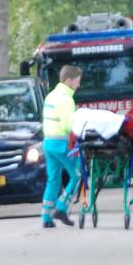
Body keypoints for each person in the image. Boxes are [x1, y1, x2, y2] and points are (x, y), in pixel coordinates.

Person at [41, 65, 83, 228]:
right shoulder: (66, 99)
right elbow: (67, 125)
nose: (78, 85)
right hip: (62, 144)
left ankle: (46, 217)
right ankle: (61, 208)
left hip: (48, 143)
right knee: (78, 175)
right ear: (69, 80)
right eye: (77, 81)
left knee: (53, 180)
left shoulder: (51, 96)